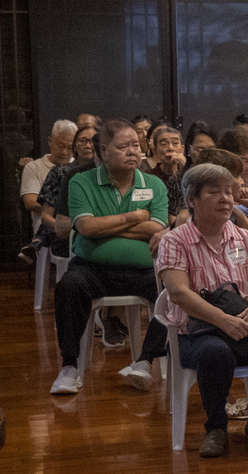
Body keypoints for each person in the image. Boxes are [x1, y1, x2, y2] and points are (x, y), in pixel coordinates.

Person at [155, 163, 248, 457]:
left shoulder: (246, 238)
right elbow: (178, 292)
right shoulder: (174, 240)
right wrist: (222, 320)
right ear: (192, 201)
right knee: (215, 354)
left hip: (245, 325)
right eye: (214, 192)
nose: (226, 199)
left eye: (228, 192)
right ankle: (216, 427)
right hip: (197, 331)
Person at [49, 119, 170, 396]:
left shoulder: (153, 184)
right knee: (68, 286)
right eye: (123, 146)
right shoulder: (81, 181)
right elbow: (85, 227)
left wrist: (105, 227)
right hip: (92, 269)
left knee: (176, 293)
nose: (133, 152)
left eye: (136, 146)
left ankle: (144, 361)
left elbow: (157, 228)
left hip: (144, 271)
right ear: (103, 150)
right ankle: (69, 367)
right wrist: (136, 217)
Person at [18, 119, 75, 263]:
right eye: (60, 145)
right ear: (50, 141)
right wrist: (58, 210)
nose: (64, 152)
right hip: (47, 222)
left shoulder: (78, 167)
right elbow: (30, 203)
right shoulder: (34, 167)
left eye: (70, 147)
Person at [38, 123, 99, 259]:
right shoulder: (61, 172)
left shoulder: (107, 173)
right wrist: (72, 230)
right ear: (75, 145)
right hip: (68, 234)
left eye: (92, 141)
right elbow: (46, 216)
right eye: (83, 141)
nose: (88, 145)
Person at [145, 123, 187, 222]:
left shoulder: (190, 173)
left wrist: (185, 166)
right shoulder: (148, 177)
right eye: (164, 144)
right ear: (154, 150)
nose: (170, 148)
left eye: (175, 143)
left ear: (182, 149)